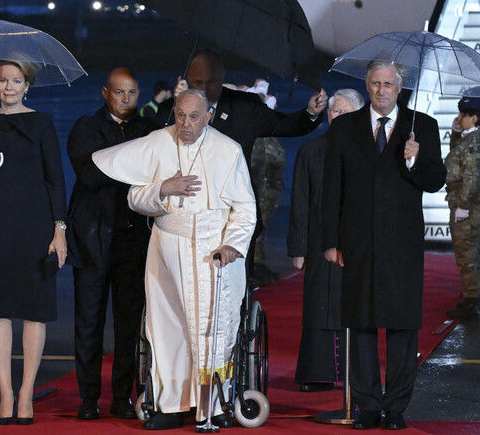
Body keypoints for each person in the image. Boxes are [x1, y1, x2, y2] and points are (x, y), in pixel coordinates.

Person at [92, 89, 257, 431]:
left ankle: (214, 406)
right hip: (167, 247)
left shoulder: (228, 151)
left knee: (213, 329)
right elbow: (136, 197)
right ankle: (171, 404)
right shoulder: (157, 142)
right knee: (167, 329)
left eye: (193, 117)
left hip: (215, 253)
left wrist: (232, 245)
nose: (185, 123)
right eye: (180, 115)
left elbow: (245, 209)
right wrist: (163, 188)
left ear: (208, 115)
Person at [322, 59, 446, 430]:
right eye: (375, 83)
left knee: (401, 327)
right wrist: (330, 241)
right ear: (367, 84)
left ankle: (395, 407)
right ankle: (368, 406)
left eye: (388, 84)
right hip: (356, 242)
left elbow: (435, 180)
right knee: (360, 324)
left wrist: (415, 160)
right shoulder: (344, 127)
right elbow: (332, 187)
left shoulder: (422, 126)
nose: (381, 91)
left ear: (399, 87)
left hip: (401, 243)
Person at [155, 48, 327, 287]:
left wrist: (311, 112)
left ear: (223, 76)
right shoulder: (169, 113)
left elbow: (287, 125)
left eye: (212, 82)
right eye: (198, 82)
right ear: (185, 80)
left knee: (233, 295)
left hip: (232, 221)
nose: (204, 89)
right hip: (184, 223)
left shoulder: (244, 107)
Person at [0, 57, 67, 425]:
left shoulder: (41, 123)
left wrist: (60, 230)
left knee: (34, 309)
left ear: (28, 85)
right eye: (3, 80)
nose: (8, 87)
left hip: (36, 227)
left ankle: (27, 394)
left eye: (16, 81)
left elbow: (56, 180)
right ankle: (5, 395)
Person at [67, 68, 156, 420]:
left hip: (132, 241)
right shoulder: (85, 127)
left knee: (128, 325)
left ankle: (122, 396)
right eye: (119, 92)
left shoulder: (148, 129)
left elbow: (155, 173)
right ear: (106, 93)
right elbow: (88, 173)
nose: (126, 99)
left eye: (132, 92)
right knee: (88, 323)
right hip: (91, 239)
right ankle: (88, 398)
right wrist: (132, 166)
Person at [287, 88, 364, 392]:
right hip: (319, 242)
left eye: (344, 112)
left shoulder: (368, 150)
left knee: (355, 304)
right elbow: (300, 201)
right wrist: (297, 248)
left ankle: (355, 373)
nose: (337, 116)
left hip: (356, 243)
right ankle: (316, 373)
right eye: (333, 111)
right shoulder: (312, 150)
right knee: (319, 303)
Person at [445, 94, 480, 319]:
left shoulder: (475, 142)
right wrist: (457, 132)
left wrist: (463, 205)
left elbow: (472, 176)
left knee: (468, 254)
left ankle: (472, 302)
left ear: (474, 117)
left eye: (463, 115)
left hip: (470, 208)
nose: (459, 118)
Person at [247, 80, 286, 283]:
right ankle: (255, 265)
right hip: (260, 187)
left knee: (262, 228)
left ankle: (258, 263)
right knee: (256, 227)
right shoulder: (258, 135)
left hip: (269, 189)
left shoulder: (269, 135)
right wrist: (261, 91)